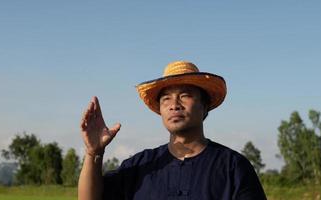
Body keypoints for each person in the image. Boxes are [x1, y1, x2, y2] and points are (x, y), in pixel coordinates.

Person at [78, 61, 267, 200]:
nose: (174, 105)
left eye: (185, 96)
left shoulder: (232, 166)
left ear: (204, 106)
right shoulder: (139, 166)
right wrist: (94, 152)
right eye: (166, 99)